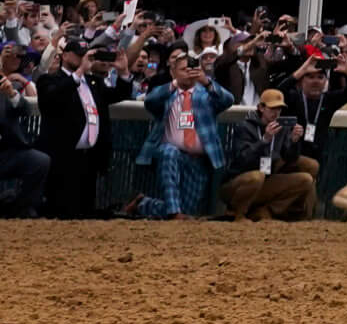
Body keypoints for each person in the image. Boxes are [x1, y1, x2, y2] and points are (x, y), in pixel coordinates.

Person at [131, 48, 234, 218]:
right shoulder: (166, 93)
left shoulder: (207, 95)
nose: (188, 73)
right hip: (171, 154)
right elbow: (149, 101)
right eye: (183, 69)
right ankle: (174, 213)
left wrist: (206, 81)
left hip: (199, 160)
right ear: (173, 72)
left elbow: (228, 100)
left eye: (191, 69)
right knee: (168, 151)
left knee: (187, 210)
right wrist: (175, 84)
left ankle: (144, 205)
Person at [37, 40, 129, 217]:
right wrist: (79, 73)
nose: (83, 58)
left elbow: (120, 94)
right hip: (62, 156)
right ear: (64, 56)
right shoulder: (49, 80)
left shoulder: (94, 82)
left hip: (89, 157)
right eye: (79, 55)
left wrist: (123, 71)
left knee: (86, 211)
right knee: (61, 211)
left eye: (86, 55)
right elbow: (52, 99)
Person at [221, 90, 318, 221]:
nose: (276, 112)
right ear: (261, 108)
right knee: (256, 177)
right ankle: (237, 214)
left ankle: (265, 211)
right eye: (272, 108)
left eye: (279, 108)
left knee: (305, 179)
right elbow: (242, 161)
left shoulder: (282, 128)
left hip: (266, 180)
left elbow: (290, 159)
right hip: (237, 184)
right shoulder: (244, 127)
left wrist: (294, 141)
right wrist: (264, 140)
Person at [0, 62, 46, 216]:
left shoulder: (4, 88)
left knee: (39, 161)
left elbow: (25, 109)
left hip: (6, 152)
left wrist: (12, 94)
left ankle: (22, 209)